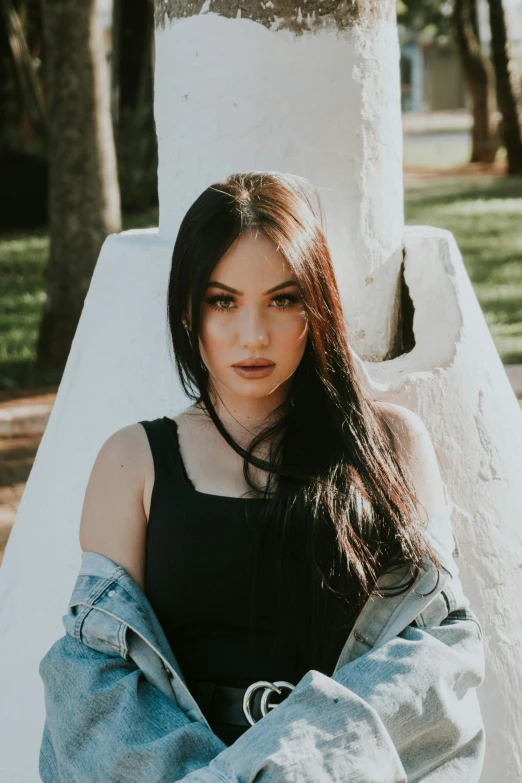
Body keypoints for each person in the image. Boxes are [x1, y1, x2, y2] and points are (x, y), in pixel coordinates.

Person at [39, 171, 485, 781]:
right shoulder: (132, 463)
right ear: (187, 309)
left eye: (283, 299)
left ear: (317, 305)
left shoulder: (392, 449)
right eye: (223, 301)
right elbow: (90, 687)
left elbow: (434, 660)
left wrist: (292, 768)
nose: (254, 335)